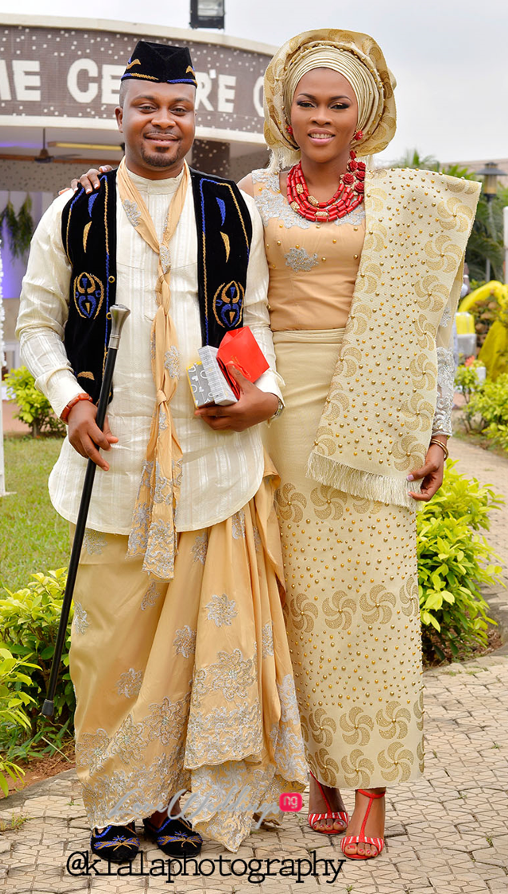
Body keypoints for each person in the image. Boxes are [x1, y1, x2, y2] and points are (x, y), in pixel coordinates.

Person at [70, 27, 480, 862]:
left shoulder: (398, 203)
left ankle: (371, 787)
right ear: (283, 111)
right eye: (308, 102)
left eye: (339, 104)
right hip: (270, 410)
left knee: (372, 599)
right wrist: (100, 188)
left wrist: (438, 429)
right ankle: (313, 775)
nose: (322, 117)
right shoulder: (251, 193)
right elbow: (176, 224)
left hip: (375, 409)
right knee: (284, 604)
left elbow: (435, 325)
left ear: (365, 115)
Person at [16, 39, 307, 860]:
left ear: (194, 117)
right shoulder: (75, 211)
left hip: (212, 463)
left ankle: (175, 802)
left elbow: (251, 315)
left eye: (178, 107)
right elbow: (37, 323)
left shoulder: (228, 209)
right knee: (107, 639)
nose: (162, 120)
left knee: (194, 644)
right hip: (112, 459)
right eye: (147, 105)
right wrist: (70, 403)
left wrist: (265, 395)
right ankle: (113, 805)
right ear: (119, 115)